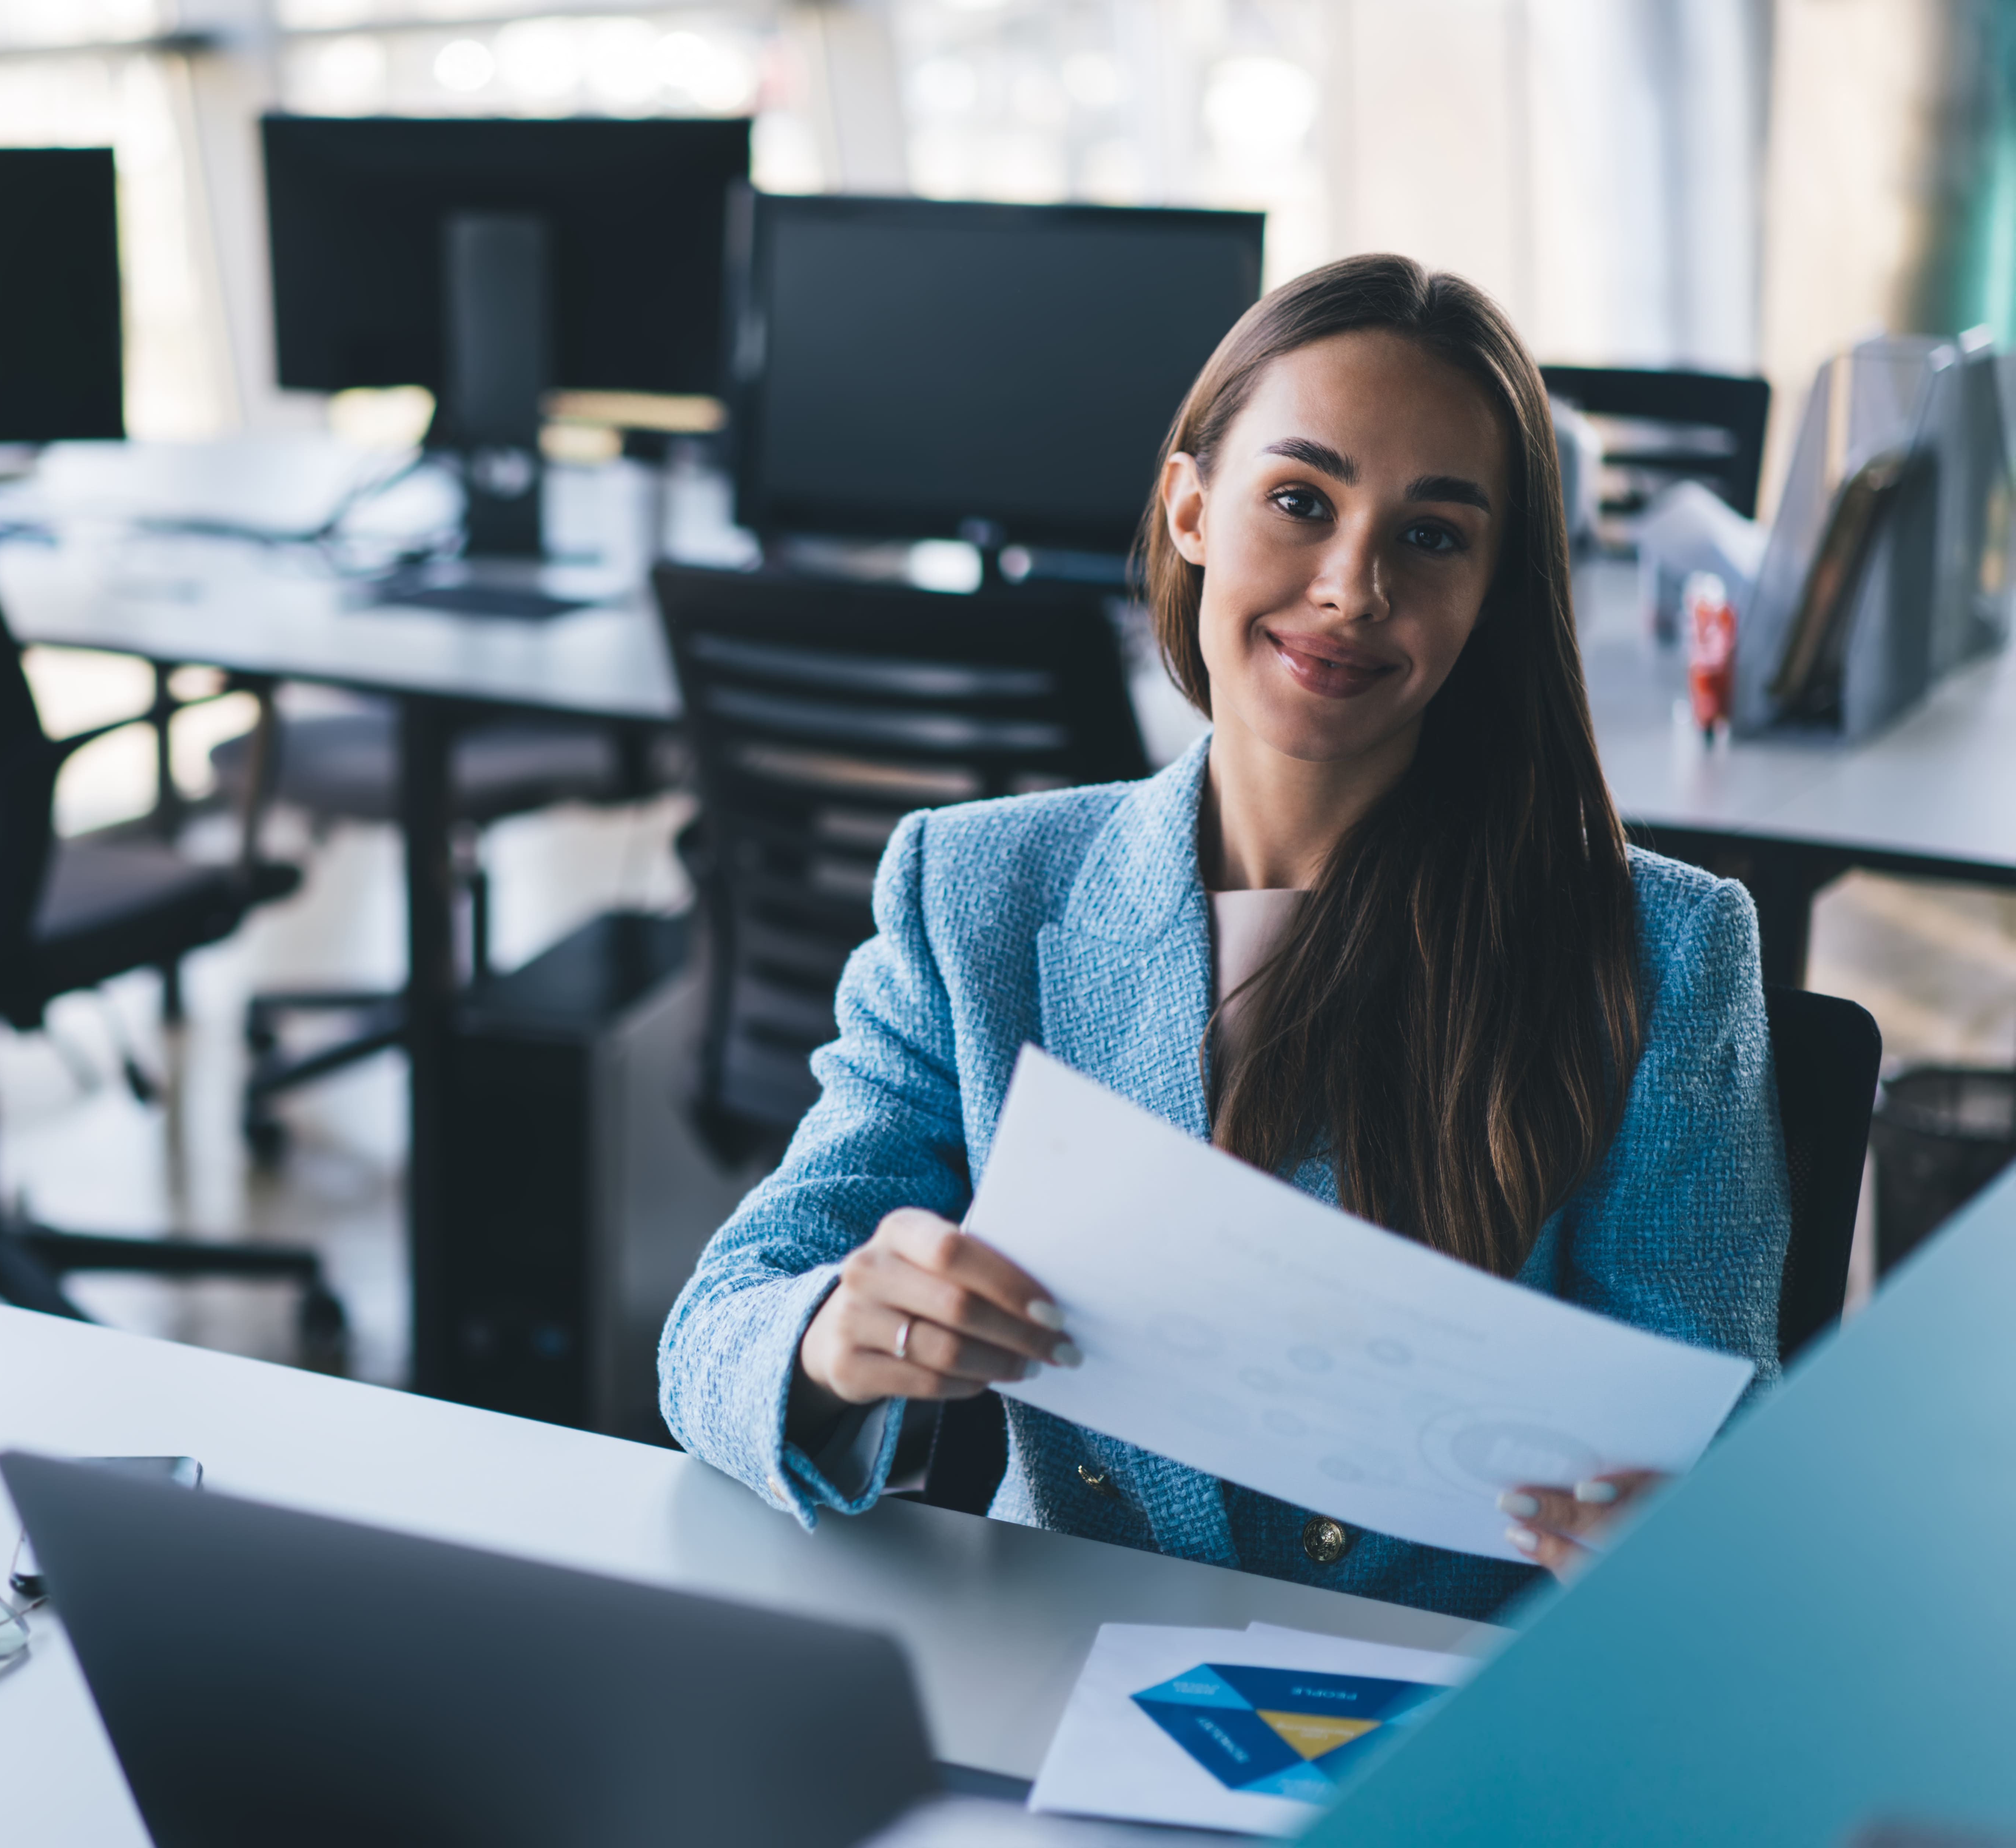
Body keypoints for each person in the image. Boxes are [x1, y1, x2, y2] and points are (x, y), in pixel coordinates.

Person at [656, 254, 1784, 1622]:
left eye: (1431, 535)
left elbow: (1721, 1438)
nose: (1352, 587)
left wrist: (1693, 1532)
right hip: (1068, 1656)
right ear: (1191, 508)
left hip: (1438, 1698)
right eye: (1298, 502)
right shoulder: (974, 894)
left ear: (1491, 592)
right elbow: (717, 1330)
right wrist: (836, 1337)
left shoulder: (1659, 954)